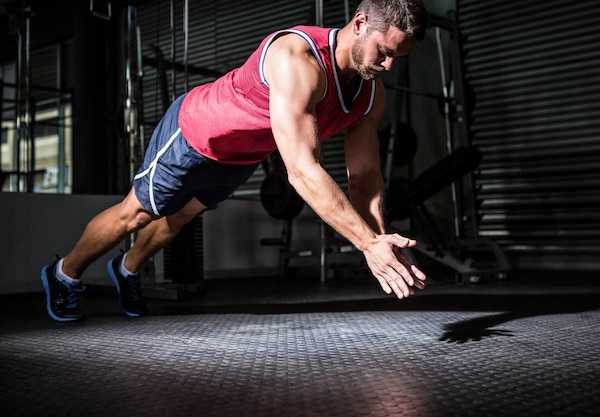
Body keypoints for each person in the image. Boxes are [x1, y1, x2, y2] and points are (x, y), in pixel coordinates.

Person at [41, 0, 429, 322]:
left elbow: (363, 175)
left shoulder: (370, 93)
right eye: (386, 52)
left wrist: (381, 241)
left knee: (179, 217)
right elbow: (302, 171)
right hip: (195, 133)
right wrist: (366, 244)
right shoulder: (298, 60)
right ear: (360, 24)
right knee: (136, 214)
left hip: (239, 158)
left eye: (400, 57)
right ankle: (64, 275)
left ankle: (126, 270)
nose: (389, 66)